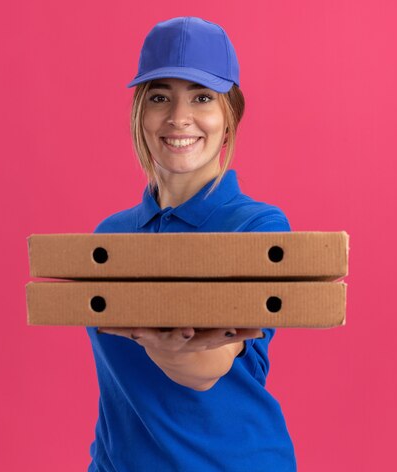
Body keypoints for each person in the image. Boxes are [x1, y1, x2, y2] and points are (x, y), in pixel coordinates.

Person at [87, 17, 297, 471]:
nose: (179, 118)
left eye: (202, 97)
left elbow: (211, 368)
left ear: (229, 117)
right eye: (160, 97)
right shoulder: (109, 239)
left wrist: (172, 347)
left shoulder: (257, 228)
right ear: (140, 113)